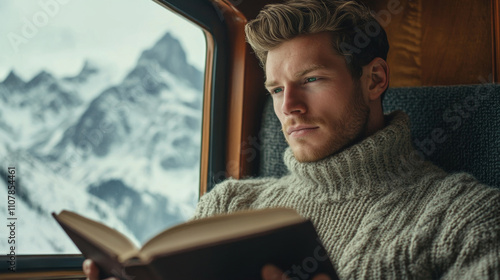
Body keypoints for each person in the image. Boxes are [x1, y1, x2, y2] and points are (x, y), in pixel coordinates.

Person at [84, 0, 500, 279]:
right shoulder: (229, 206)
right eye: (277, 90)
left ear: (374, 79)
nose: (290, 107)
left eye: (311, 80)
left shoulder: (465, 218)